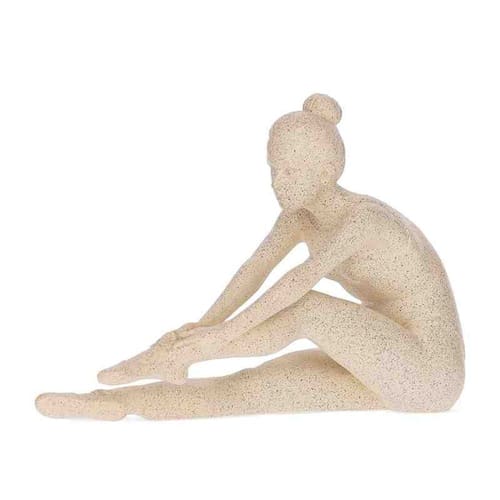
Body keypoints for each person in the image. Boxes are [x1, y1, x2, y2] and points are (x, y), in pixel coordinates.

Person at [36, 94, 465, 420]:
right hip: (380, 361)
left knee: (310, 309)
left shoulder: (364, 221)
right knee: (248, 389)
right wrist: (203, 326)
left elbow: (299, 282)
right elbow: (254, 270)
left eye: (291, 172)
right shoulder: (300, 217)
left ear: (324, 172)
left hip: (429, 373)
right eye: (273, 169)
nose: (278, 182)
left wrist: (215, 340)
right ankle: (115, 403)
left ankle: (171, 358)